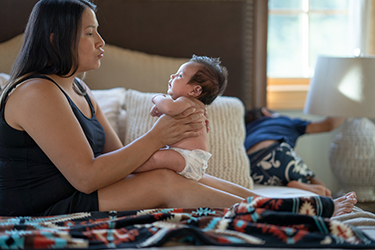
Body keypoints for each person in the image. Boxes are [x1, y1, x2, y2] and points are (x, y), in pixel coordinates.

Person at [0, 0, 355, 217]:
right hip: (39, 210)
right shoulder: (36, 92)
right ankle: (291, 215)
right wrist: (158, 138)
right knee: (165, 181)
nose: (101, 42)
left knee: (183, 175)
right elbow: (87, 176)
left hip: (78, 194)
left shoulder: (79, 88)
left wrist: (176, 145)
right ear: (54, 39)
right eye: (90, 33)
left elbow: (117, 160)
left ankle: (271, 202)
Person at [133, 55, 228, 181]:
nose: (172, 76)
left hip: (187, 156)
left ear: (195, 91)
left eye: (179, 76)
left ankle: (129, 169)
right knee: (156, 157)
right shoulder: (189, 106)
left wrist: (157, 98)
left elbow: (169, 108)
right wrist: (160, 111)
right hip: (187, 157)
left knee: (156, 158)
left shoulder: (186, 101)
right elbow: (171, 113)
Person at [244, 107, 345, 197]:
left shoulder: (246, 132)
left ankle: (289, 183)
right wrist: (346, 108)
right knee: (313, 179)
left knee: (278, 178)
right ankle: (308, 186)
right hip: (276, 152)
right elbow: (328, 125)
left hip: (251, 167)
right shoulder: (283, 120)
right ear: (265, 112)